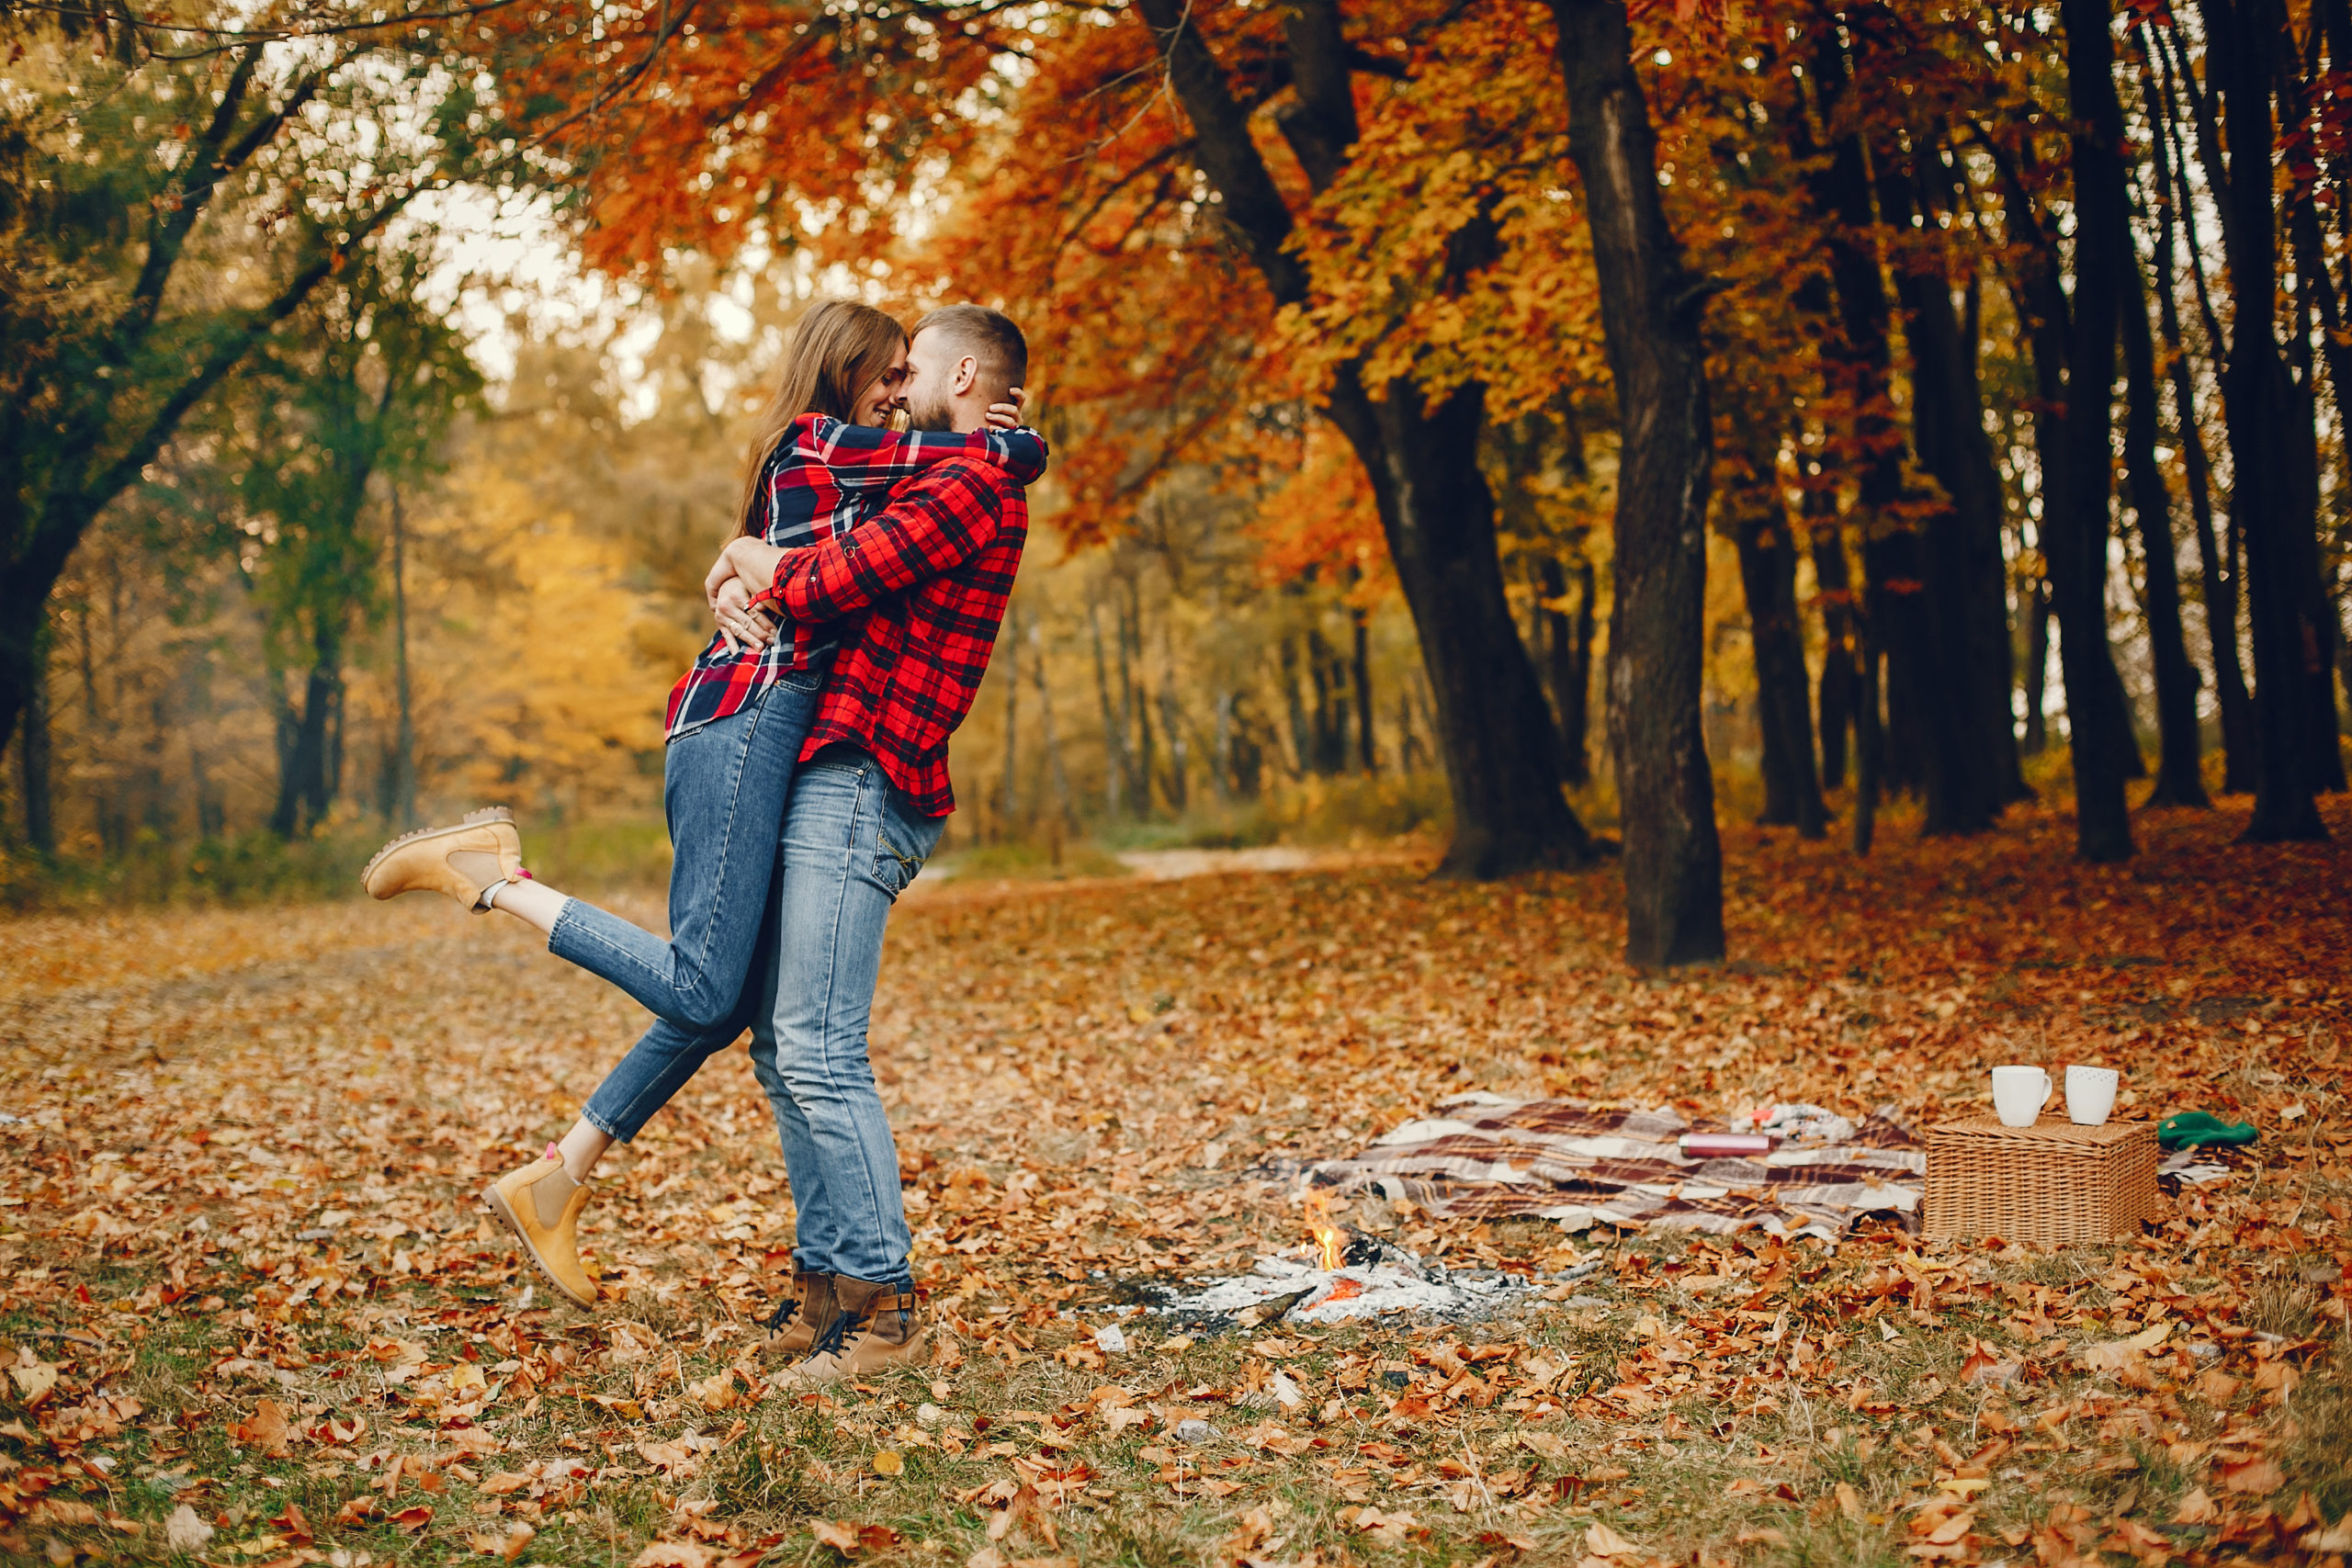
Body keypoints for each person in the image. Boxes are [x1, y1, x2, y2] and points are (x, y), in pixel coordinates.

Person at [356, 299, 1044, 1322]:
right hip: (771, 736)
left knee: (757, 1021)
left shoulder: (961, 476)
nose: (898, 398)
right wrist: (742, 556)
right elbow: (825, 546)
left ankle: (834, 1287)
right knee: (740, 1009)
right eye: (886, 378)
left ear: (958, 381)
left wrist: (744, 555)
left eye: (914, 376)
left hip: (844, 761)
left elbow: (829, 572)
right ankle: (830, 1287)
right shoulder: (847, 454)